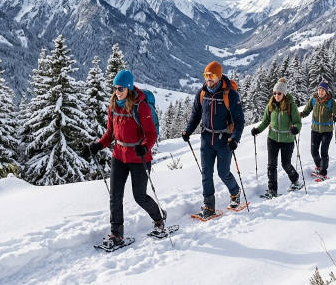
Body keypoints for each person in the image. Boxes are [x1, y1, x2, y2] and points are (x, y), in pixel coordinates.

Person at [89, 69, 165, 248]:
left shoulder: (141, 106)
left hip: (139, 157)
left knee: (139, 196)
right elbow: (110, 133)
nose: (117, 91)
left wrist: (145, 146)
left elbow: (151, 134)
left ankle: (159, 219)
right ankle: (117, 234)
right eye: (115, 87)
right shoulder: (114, 105)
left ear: (129, 88)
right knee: (115, 196)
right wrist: (99, 145)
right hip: (119, 156)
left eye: (121, 88)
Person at [182, 61, 245, 218]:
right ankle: (209, 207)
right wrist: (188, 131)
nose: (208, 79)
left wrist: (235, 138)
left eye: (211, 75)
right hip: (206, 137)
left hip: (224, 140)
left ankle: (235, 192)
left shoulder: (230, 94)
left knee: (223, 172)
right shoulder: (202, 93)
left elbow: (239, 120)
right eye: (206, 75)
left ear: (218, 76)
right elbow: (195, 115)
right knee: (206, 174)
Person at [251, 78, 303, 197]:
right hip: (272, 138)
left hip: (287, 139)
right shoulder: (271, 105)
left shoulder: (291, 106)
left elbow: (298, 122)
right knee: (271, 165)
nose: (276, 95)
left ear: (284, 94)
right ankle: (272, 190)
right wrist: (257, 130)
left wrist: (296, 128)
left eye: (279, 93)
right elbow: (265, 121)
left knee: (286, 164)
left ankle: (295, 180)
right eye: (274, 93)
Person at [299, 81, 336, 178]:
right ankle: (319, 166)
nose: (320, 92)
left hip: (327, 131)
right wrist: (299, 115)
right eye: (319, 90)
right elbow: (306, 111)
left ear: (326, 91)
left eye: (322, 90)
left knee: (324, 151)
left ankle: (323, 172)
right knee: (313, 151)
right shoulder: (313, 100)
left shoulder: (331, 102)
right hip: (315, 130)